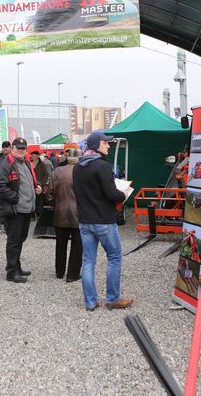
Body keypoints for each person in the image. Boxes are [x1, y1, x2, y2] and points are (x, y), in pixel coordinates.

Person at [73, 130, 133, 311]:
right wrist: (123, 194)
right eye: (106, 142)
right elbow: (110, 193)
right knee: (114, 257)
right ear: (97, 145)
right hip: (104, 221)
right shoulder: (102, 166)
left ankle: (90, 302)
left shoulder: (78, 167)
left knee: (88, 261)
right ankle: (112, 299)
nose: (108, 145)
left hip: (85, 221)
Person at [0, 137, 41, 283]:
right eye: (18, 148)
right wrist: (16, 198)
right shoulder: (6, 164)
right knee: (13, 241)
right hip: (16, 209)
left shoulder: (25, 162)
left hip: (26, 209)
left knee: (20, 239)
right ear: (12, 148)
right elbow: (0, 187)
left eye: (23, 148)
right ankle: (11, 272)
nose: (21, 151)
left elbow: (26, 181)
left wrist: (35, 187)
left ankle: (17, 267)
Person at [48, 148, 83, 282]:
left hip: (60, 213)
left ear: (68, 158)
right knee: (77, 246)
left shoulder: (57, 171)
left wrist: (54, 205)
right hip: (79, 215)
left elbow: (49, 194)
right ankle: (72, 275)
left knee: (60, 244)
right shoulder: (82, 172)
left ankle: (59, 272)